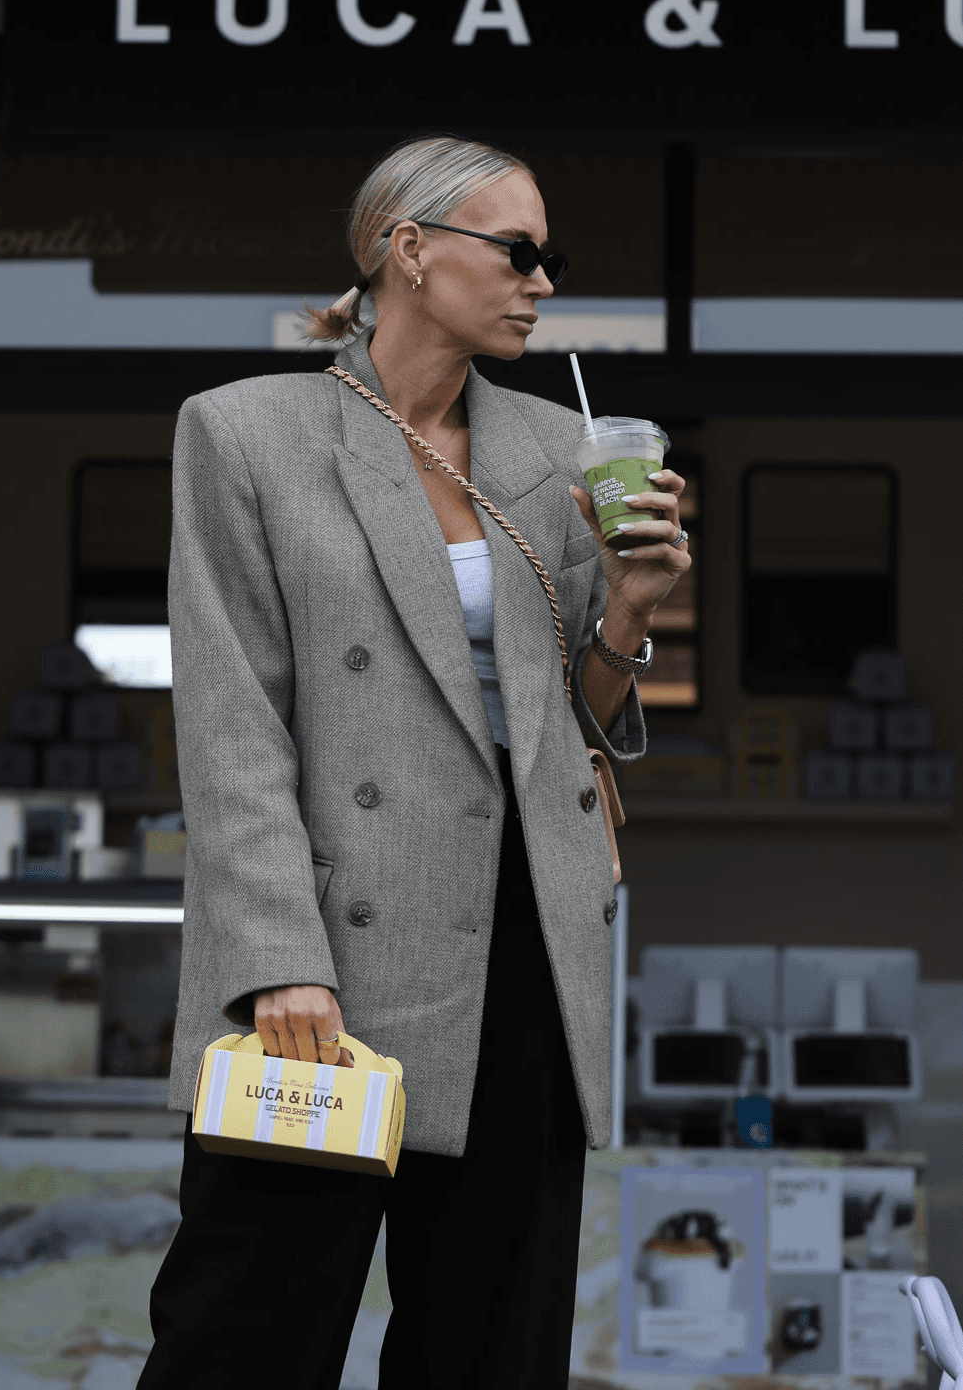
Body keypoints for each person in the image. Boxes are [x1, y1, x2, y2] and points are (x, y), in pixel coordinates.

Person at [139, 133, 691, 1390]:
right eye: (516, 251)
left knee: (489, 1351)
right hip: (335, 939)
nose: (540, 282)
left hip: (525, 941)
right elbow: (232, 725)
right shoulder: (247, 434)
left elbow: (573, 723)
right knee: (246, 1339)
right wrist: (275, 955)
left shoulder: (557, 452)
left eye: (548, 259)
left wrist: (631, 611)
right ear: (408, 251)